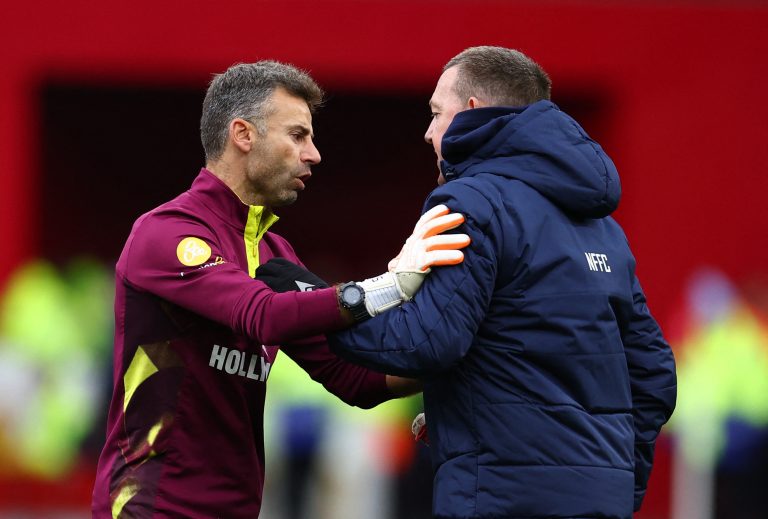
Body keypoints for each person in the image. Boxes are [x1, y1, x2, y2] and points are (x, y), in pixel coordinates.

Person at [90, 60, 470, 518]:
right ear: (243, 135)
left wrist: (465, 363)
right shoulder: (166, 233)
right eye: (297, 135)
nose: (314, 154)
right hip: (153, 507)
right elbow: (262, 314)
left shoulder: (274, 252)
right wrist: (392, 285)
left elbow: (356, 379)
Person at [322, 46, 678, 518]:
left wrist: (312, 307)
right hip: (601, 499)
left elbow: (427, 341)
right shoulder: (604, 227)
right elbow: (654, 375)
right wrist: (615, 483)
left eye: (435, 113)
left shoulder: (470, 202)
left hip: (499, 496)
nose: (428, 133)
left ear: (472, 112)